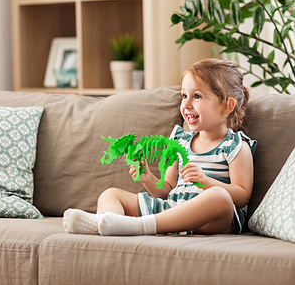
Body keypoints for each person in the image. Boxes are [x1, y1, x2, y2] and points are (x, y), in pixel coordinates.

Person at [63, 58, 256, 236]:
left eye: (197, 96)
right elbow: (167, 190)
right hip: (172, 208)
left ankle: (138, 226)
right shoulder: (181, 141)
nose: (186, 104)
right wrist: (148, 179)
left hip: (210, 220)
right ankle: (104, 224)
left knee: (219, 196)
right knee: (111, 194)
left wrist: (206, 181)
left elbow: (242, 196)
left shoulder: (235, 146)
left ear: (227, 106)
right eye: (184, 95)